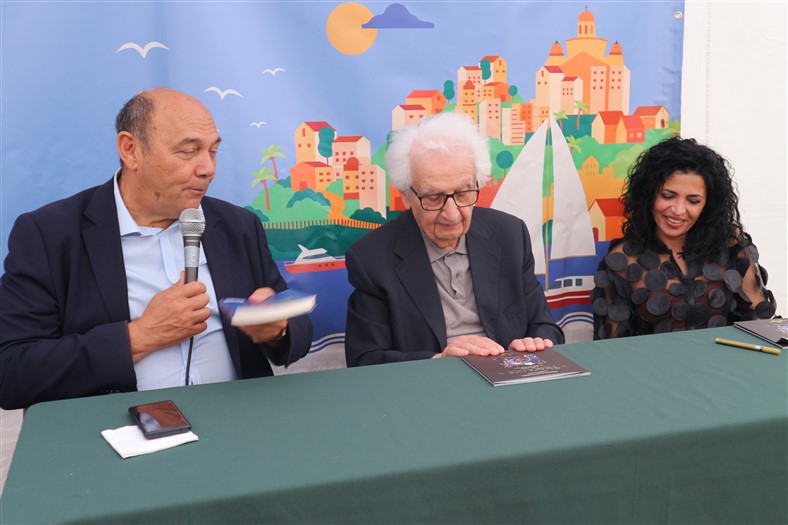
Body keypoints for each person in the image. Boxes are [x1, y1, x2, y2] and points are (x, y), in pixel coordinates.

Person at [0, 88, 312, 410]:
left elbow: (298, 331)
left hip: (238, 420)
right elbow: (11, 373)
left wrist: (277, 329)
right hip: (115, 431)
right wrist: (141, 336)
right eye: (188, 151)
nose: (207, 168)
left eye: (213, 151)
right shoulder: (49, 235)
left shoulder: (238, 225)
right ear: (130, 150)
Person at [344, 112, 563, 366]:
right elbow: (365, 360)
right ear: (406, 195)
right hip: (431, 384)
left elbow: (546, 328)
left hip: (510, 372)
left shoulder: (510, 235)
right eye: (434, 198)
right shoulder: (372, 259)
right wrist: (439, 361)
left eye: (463, 194)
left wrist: (534, 344)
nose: (452, 214)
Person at [591, 137, 776, 339]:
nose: (678, 210)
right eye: (668, 196)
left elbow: (760, 323)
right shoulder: (623, 260)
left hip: (726, 359)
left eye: (693, 200)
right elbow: (611, 347)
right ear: (648, 194)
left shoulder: (732, 244)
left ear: (708, 204)